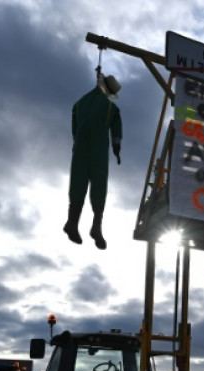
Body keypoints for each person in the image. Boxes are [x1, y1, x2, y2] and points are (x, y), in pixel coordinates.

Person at [65, 72, 123, 250]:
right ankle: (96, 227)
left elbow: (74, 128)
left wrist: (78, 142)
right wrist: (116, 149)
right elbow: (116, 130)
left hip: (80, 148)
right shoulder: (111, 108)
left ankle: (72, 223)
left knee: (78, 183)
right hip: (98, 148)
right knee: (99, 184)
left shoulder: (79, 104)